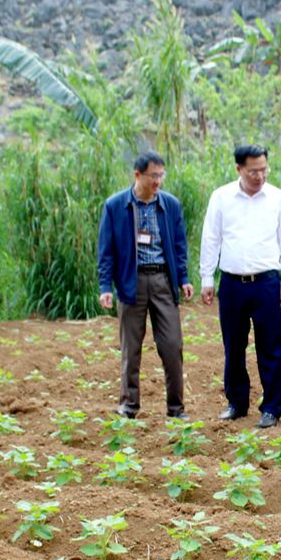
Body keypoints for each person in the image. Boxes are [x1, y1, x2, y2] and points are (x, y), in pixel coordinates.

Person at [200, 144, 281, 429]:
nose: (259, 176)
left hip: (266, 283)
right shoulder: (221, 197)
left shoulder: (278, 198)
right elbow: (211, 238)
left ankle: (272, 407)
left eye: (263, 170)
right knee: (233, 346)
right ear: (239, 169)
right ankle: (237, 402)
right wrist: (207, 278)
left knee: (270, 347)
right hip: (232, 283)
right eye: (253, 171)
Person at [97, 152, 193, 420]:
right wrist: (105, 286)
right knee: (131, 348)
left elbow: (179, 246)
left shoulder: (170, 205)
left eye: (161, 175)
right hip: (131, 282)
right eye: (153, 176)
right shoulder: (116, 206)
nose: (158, 181)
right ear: (137, 175)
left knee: (172, 346)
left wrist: (183, 278)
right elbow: (106, 251)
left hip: (163, 281)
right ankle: (128, 405)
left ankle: (176, 409)